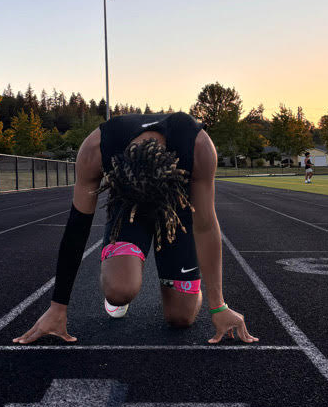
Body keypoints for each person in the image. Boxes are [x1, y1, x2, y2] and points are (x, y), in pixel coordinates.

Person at [14, 111, 257, 345]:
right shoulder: (95, 149)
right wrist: (58, 307)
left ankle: (181, 287)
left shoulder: (198, 146)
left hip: (175, 203)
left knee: (181, 318)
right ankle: (118, 291)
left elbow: (205, 227)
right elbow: (77, 227)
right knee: (119, 289)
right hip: (127, 205)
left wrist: (218, 306)